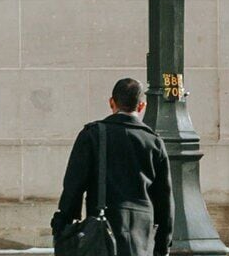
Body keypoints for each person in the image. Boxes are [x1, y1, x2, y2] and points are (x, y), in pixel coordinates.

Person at [54, 77, 173, 256]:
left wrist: (63, 225)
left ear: (112, 102)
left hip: (103, 230)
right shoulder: (154, 142)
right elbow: (164, 200)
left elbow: (74, 186)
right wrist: (162, 245)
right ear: (141, 106)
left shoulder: (93, 135)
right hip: (141, 235)